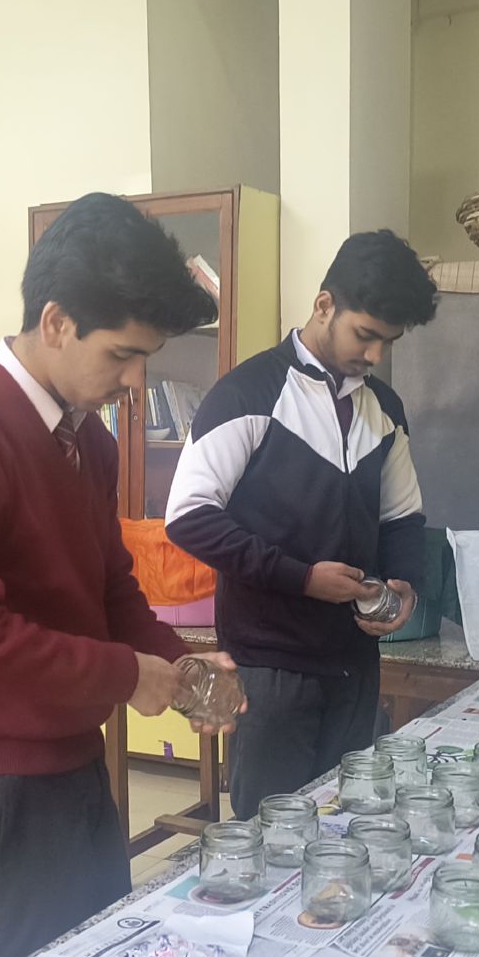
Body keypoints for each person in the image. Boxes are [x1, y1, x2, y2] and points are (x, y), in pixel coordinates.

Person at [0, 192, 238, 957]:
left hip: (75, 763)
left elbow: (110, 588)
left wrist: (177, 665)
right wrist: (125, 675)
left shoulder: (86, 441)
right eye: (120, 355)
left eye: (145, 358)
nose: (134, 380)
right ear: (55, 323)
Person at [165, 230, 438, 817]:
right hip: (270, 667)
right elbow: (188, 518)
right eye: (364, 335)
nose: (374, 355)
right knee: (271, 831)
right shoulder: (247, 394)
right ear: (323, 306)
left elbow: (402, 516)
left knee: (347, 823)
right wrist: (301, 578)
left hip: (355, 662)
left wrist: (405, 585)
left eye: (387, 342)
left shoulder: (384, 408)